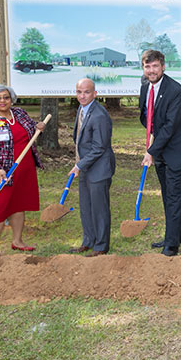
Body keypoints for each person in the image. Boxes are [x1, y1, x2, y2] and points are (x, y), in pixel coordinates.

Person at [0, 84, 45, 257]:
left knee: (19, 205)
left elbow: (30, 132)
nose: (2, 101)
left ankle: (17, 241)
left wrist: (39, 128)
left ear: (11, 99)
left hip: (24, 169)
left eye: (6, 97)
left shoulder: (20, 114)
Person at [139, 49, 181, 257]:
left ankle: (171, 244)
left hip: (177, 150)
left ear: (163, 66)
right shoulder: (145, 86)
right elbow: (145, 116)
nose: (151, 71)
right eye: (147, 66)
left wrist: (151, 151)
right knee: (167, 194)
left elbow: (171, 126)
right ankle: (176, 233)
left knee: (172, 195)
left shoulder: (175, 90)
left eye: (155, 66)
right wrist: (152, 137)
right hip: (161, 147)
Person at [69, 78, 115, 257]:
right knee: (86, 206)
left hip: (99, 168)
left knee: (99, 208)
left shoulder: (99, 115)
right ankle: (88, 241)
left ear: (94, 93)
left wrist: (79, 164)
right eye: (79, 92)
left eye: (86, 92)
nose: (82, 95)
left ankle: (101, 246)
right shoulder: (82, 109)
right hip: (85, 166)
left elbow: (99, 147)